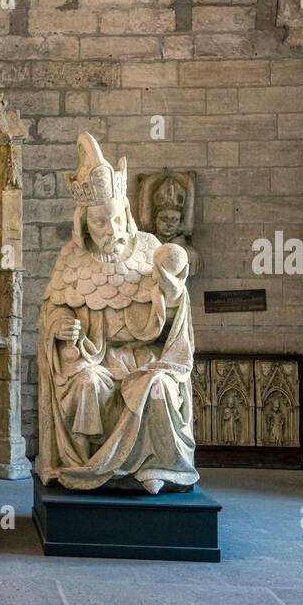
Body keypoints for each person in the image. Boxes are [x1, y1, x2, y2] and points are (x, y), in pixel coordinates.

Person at [37, 132, 198, 494]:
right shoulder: (72, 259)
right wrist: (61, 326)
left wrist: (171, 294)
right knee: (85, 383)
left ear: (125, 213)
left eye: (114, 219)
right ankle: (85, 467)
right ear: (83, 224)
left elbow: (174, 319)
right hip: (96, 358)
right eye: (99, 223)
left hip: (145, 360)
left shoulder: (149, 248)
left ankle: (158, 466)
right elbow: (53, 310)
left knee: (157, 387)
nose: (110, 229)